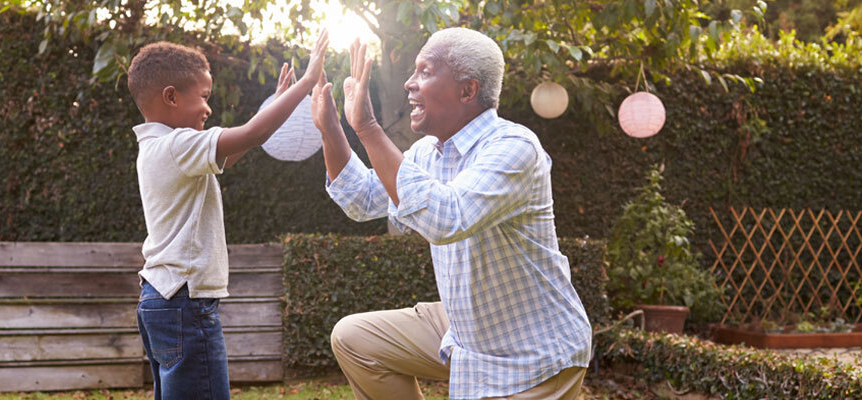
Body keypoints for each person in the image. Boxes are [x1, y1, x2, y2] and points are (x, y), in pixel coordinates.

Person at [310, 27, 592, 399]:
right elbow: (362, 199)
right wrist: (332, 129)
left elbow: (447, 219)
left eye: (425, 72)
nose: (410, 83)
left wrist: (368, 127)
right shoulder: (428, 152)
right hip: (470, 327)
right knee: (355, 339)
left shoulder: (514, 147)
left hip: (533, 354)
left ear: (467, 90)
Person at [126, 32, 328, 400]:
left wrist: (277, 101)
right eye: (203, 97)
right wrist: (309, 83)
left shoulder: (158, 148)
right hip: (184, 300)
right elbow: (253, 133)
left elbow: (235, 149)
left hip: (160, 298)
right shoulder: (176, 145)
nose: (208, 109)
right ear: (171, 97)